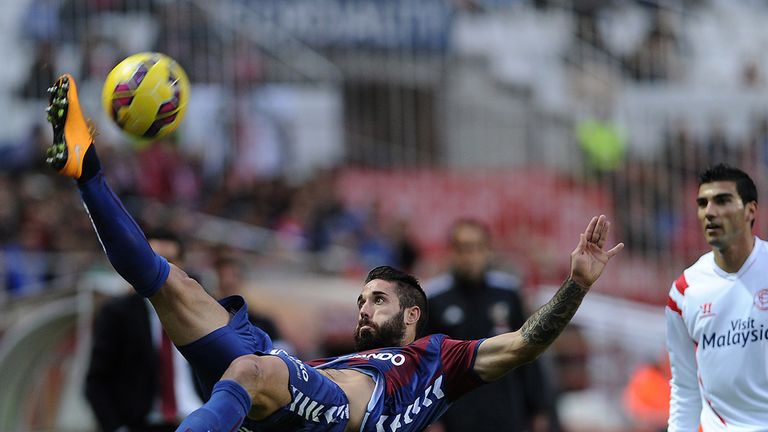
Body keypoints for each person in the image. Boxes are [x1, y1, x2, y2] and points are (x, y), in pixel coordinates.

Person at [44, 73, 623, 432]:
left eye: (376, 300)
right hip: (302, 385)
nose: (363, 309)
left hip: (347, 416)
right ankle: (87, 171)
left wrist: (576, 285)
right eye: (361, 299)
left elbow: (526, 343)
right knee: (175, 287)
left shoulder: (440, 361)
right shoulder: (345, 358)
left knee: (251, 369)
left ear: (413, 314)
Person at [425, 219, 555, 432]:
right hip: (458, 415)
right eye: (464, 248)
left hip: (506, 412)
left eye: (477, 247)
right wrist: (431, 418)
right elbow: (427, 365)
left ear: (488, 251)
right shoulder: (435, 300)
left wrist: (539, 408)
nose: (471, 256)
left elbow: (528, 354)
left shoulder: (508, 294)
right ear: (452, 253)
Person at [666, 163, 768, 430]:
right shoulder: (684, 291)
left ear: (750, 211)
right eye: (703, 204)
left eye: (722, 201)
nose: (710, 212)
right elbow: (685, 388)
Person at [85, 228, 204, 432]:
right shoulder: (118, 314)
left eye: (171, 261)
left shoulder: (203, 310)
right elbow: (96, 381)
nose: (163, 269)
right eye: (155, 260)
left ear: (183, 266)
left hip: (199, 419)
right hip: (144, 424)